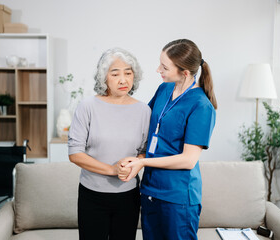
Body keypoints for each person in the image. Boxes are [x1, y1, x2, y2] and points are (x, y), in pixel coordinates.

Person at [118, 39, 217, 240]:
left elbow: (188, 160)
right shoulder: (164, 89)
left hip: (177, 197)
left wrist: (143, 162)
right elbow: (144, 123)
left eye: (164, 67)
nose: (158, 70)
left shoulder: (201, 106)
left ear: (185, 73)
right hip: (150, 190)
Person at [68, 48, 151, 240]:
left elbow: (146, 152)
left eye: (128, 73)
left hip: (129, 196)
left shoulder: (143, 110)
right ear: (103, 77)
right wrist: (112, 170)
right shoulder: (87, 107)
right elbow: (75, 153)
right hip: (92, 196)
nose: (123, 80)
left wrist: (134, 163)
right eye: (115, 73)